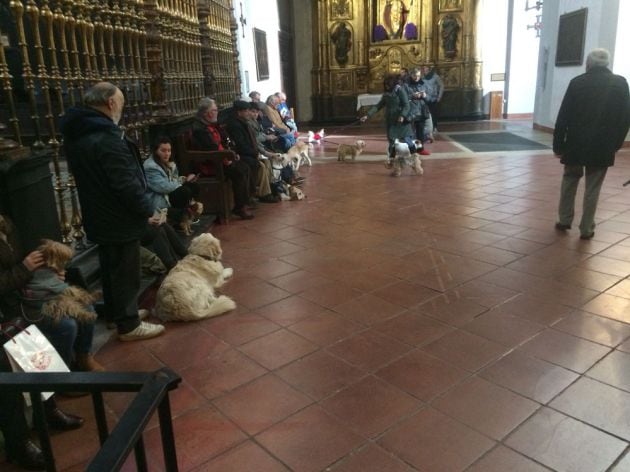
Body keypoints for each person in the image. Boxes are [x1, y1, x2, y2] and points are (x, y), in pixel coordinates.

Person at [60, 82, 165, 341]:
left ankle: (116, 314)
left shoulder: (79, 132)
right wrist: (146, 209)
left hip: (98, 212)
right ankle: (128, 325)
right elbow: (125, 184)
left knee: (111, 267)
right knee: (125, 271)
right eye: (121, 102)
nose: (122, 107)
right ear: (110, 103)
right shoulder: (106, 137)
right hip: (118, 216)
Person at [0, 215, 84, 470]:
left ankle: (47, 410)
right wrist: (24, 269)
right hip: (9, 307)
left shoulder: (6, 223)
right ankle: (19, 442)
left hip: (14, 306)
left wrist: (47, 269)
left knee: (38, 350)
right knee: (5, 373)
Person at [553, 48, 630, 240]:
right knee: (593, 187)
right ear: (607, 64)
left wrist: (558, 145)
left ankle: (564, 219)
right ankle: (586, 228)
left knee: (570, 180)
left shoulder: (577, 83)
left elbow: (563, 117)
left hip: (576, 143)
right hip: (603, 145)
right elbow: (625, 118)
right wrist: (617, 143)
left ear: (588, 64)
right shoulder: (620, 84)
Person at [191, 97, 254, 220]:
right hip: (211, 163)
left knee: (245, 166)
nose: (217, 112)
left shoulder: (211, 125)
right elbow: (210, 148)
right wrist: (227, 156)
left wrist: (231, 152)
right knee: (239, 171)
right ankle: (241, 207)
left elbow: (222, 141)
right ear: (206, 113)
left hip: (220, 158)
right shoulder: (200, 129)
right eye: (214, 110)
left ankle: (244, 202)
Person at [360, 73, 419, 173]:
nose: (386, 86)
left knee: (408, 140)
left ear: (392, 83)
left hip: (401, 121)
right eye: (385, 85)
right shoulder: (386, 94)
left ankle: (415, 161)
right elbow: (378, 106)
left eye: (388, 85)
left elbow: (406, 105)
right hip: (391, 121)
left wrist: (402, 115)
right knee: (392, 143)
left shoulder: (399, 90)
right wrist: (367, 115)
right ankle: (394, 164)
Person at [226, 100, 279, 203]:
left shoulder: (243, 122)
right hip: (242, 154)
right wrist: (255, 153)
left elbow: (252, 141)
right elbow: (241, 145)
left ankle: (267, 191)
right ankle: (262, 194)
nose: (249, 113)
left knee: (267, 162)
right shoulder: (235, 125)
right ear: (239, 112)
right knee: (262, 166)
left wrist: (257, 152)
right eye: (246, 111)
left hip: (250, 152)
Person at [144, 136, 200, 229]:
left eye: (169, 150)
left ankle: (188, 215)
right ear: (155, 151)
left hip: (168, 194)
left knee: (193, 186)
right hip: (159, 199)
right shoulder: (150, 166)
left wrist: (185, 180)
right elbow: (163, 187)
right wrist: (181, 183)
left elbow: (174, 180)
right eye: (163, 150)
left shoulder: (168, 163)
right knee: (183, 191)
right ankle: (180, 222)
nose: (167, 154)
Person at [405, 67, 431, 152]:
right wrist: (413, 96)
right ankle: (410, 149)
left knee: (420, 131)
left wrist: (425, 96)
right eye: (415, 76)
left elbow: (429, 98)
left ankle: (420, 149)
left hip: (421, 110)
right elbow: (403, 97)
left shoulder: (423, 84)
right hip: (411, 111)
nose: (417, 78)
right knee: (410, 132)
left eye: (418, 76)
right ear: (411, 75)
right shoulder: (406, 84)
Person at [421, 64, 444, 132]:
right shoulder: (422, 77)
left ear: (429, 70)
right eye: (423, 69)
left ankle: (435, 127)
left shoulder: (435, 77)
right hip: (425, 98)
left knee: (433, 113)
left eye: (426, 69)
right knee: (424, 113)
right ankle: (426, 127)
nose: (424, 71)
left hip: (433, 98)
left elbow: (441, 86)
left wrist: (439, 96)